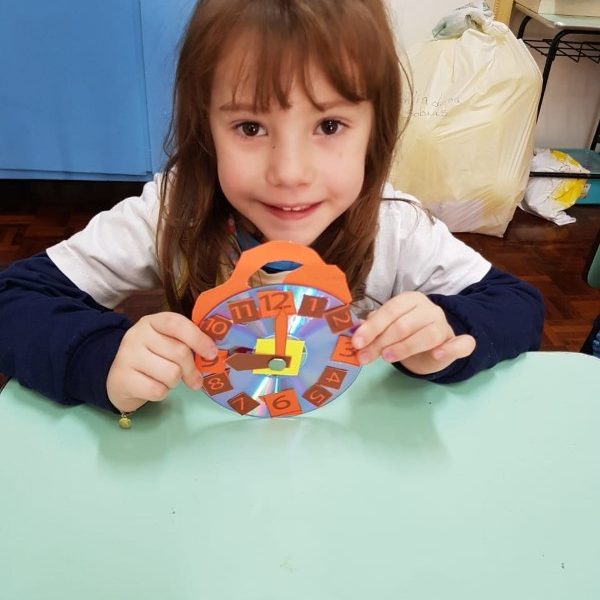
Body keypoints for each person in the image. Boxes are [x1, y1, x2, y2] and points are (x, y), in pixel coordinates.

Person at [0, 0, 543, 420]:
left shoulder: (394, 226)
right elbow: (13, 298)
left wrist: (444, 334)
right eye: (250, 127)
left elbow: (518, 305)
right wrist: (102, 358)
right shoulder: (171, 213)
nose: (289, 172)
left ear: (373, 132)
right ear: (205, 129)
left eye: (329, 125)